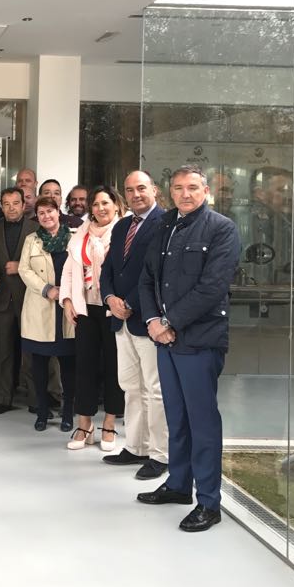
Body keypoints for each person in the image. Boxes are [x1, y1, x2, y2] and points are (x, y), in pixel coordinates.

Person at [137, 165, 241, 533]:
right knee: (176, 417)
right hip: (165, 339)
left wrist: (169, 323)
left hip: (199, 340)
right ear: (170, 192)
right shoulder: (165, 225)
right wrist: (153, 320)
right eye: (179, 188)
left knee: (202, 422)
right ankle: (179, 484)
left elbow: (212, 288)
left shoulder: (221, 229)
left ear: (206, 191)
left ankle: (209, 503)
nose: (185, 194)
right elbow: (147, 278)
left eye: (193, 187)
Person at [99, 171, 168, 480]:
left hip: (146, 319)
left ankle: (160, 454)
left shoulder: (165, 223)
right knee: (130, 387)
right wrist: (110, 298)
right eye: (130, 190)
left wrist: (130, 302)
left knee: (155, 390)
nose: (136, 194)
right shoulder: (122, 225)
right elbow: (108, 269)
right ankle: (136, 446)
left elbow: (158, 274)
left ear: (154, 189)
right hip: (120, 320)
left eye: (141, 188)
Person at [61, 185, 124, 451]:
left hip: (113, 309)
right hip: (85, 307)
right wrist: (66, 300)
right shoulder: (81, 234)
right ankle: (84, 424)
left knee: (113, 366)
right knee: (84, 366)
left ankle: (109, 423)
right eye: (96, 204)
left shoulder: (123, 232)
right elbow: (69, 270)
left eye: (105, 203)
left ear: (116, 206)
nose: (100, 208)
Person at [19, 196, 76, 431]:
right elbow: (24, 269)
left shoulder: (74, 238)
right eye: (41, 213)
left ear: (58, 212)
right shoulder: (31, 240)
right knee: (39, 365)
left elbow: (82, 269)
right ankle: (42, 412)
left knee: (68, 365)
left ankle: (68, 413)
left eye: (50, 211)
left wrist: (67, 291)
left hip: (68, 308)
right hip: (40, 307)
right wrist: (47, 289)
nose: (46, 216)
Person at [0, 188, 38, 416]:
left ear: (24, 205)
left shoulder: (36, 229)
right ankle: (2, 399)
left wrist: (21, 267)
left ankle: (36, 399)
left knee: (31, 353)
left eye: (15, 203)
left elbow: (46, 264)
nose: (11, 208)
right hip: (1, 299)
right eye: (6, 204)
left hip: (30, 298)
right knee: (2, 352)